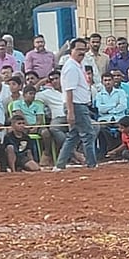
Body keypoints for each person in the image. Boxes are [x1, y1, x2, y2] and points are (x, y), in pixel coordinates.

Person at [53, 38, 98, 171]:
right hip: (76, 105)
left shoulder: (79, 65)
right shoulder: (71, 67)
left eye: (83, 50)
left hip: (79, 104)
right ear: (71, 50)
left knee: (74, 136)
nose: (81, 52)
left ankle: (60, 164)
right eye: (78, 49)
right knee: (88, 134)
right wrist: (71, 112)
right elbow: (69, 91)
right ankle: (91, 163)